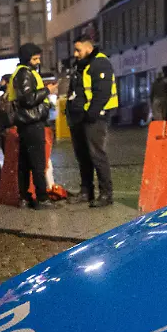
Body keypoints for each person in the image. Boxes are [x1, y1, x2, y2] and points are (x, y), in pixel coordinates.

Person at [66, 35, 117, 208]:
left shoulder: (100, 63)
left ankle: (106, 194)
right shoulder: (82, 65)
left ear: (88, 48)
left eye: (78, 50)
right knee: (83, 157)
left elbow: (102, 92)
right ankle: (86, 191)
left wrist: (91, 114)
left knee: (97, 155)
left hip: (94, 118)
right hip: (79, 117)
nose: (75, 53)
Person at [8, 43, 53, 208]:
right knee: (37, 163)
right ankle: (42, 198)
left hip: (26, 123)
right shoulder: (24, 74)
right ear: (27, 59)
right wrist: (47, 90)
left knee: (26, 163)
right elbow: (28, 99)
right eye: (35, 58)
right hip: (32, 123)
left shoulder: (22, 73)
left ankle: (25, 197)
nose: (38, 61)